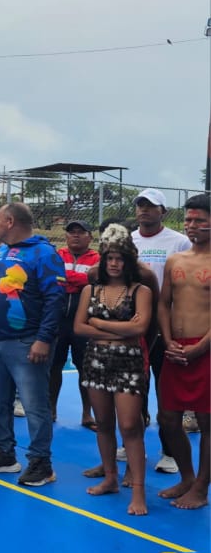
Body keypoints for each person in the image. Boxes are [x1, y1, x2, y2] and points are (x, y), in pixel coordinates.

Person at [0, 202, 66, 487]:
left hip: (26, 342)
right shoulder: (1, 251)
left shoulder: (44, 254)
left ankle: (41, 462)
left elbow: (56, 300)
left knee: (34, 405)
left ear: (11, 221)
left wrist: (43, 339)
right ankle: (5, 453)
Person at [72, 224, 152, 515]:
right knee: (103, 423)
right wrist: (122, 330)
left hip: (128, 363)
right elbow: (79, 327)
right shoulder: (91, 289)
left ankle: (140, 491)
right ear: (103, 261)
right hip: (95, 361)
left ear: (128, 261)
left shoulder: (140, 290)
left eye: (120, 258)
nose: (115, 263)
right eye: (110, 258)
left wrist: (100, 325)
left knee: (130, 425)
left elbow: (141, 327)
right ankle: (110, 478)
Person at [131, 188, 193, 473]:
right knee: (134, 386)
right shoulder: (128, 241)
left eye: (151, 206)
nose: (144, 210)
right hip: (133, 326)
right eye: (140, 205)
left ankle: (169, 451)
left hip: (165, 325)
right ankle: (132, 443)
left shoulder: (179, 242)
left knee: (164, 388)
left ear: (163, 212)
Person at [156, 193, 210, 510]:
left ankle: (202, 487)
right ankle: (188, 477)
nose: (191, 226)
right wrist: (167, 340)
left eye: (199, 220)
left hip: (206, 350)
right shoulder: (176, 260)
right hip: (176, 350)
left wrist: (201, 347)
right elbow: (164, 303)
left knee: (207, 422)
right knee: (168, 418)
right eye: (188, 220)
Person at [53, 220, 100, 427]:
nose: (76, 235)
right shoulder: (56, 255)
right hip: (57, 319)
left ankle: (87, 414)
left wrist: (65, 279)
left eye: (81, 232)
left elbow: (94, 279)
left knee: (86, 368)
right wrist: (81, 278)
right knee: (54, 366)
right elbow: (55, 277)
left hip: (85, 321)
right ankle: (51, 409)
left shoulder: (97, 258)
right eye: (71, 232)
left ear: (90, 236)